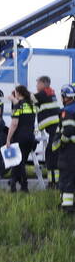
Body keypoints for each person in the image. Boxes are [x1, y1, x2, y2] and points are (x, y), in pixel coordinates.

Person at [4, 85, 36, 193]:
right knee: (20, 162)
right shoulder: (31, 105)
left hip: (20, 137)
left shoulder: (18, 106)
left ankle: (23, 186)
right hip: (30, 137)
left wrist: (8, 139)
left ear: (18, 93)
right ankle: (16, 183)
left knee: (18, 162)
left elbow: (14, 124)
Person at [34, 76, 61, 188]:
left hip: (55, 132)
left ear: (44, 83)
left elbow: (30, 98)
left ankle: (55, 183)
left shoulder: (44, 93)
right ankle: (52, 182)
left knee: (52, 157)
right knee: (50, 156)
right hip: (54, 132)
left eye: (38, 83)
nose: (36, 86)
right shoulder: (49, 93)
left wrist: (17, 93)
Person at [54, 85, 75, 213]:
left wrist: (61, 141)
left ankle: (67, 207)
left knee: (66, 178)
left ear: (65, 97)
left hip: (69, 151)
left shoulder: (67, 111)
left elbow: (68, 130)